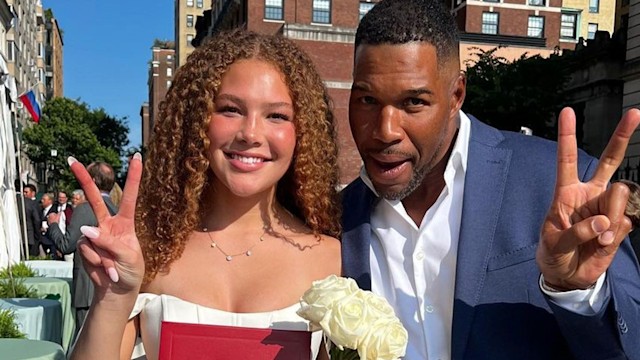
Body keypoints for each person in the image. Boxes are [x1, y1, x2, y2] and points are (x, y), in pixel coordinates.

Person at [341, 0, 640, 359]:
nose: (384, 131)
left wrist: (577, 292)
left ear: (456, 96)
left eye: (413, 102)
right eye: (367, 99)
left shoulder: (554, 186)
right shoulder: (333, 219)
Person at [68, 29, 341, 360]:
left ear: (303, 133)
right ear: (196, 120)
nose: (251, 133)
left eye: (277, 116)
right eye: (230, 109)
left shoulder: (332, 259)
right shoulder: (148, 248)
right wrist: (113, 297)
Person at [47, 162, 118, 336]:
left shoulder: (86, 208)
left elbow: (66, 246)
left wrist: (53, 225)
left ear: (91, 180)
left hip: (87, 291)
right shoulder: (117, 210)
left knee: (85, 342)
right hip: (111, 290)